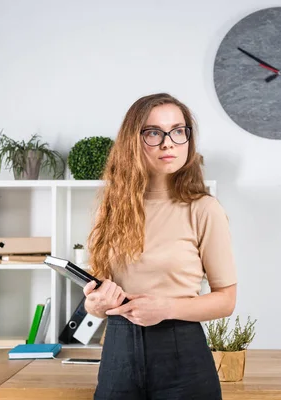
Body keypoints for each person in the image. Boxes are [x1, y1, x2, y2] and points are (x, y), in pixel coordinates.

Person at [83, 92, 237, 400]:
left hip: (183, 357)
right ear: (132, 141)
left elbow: (226, 300)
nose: (168, 142)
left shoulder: (204, 209)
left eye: (178, 131)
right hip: (117, 355)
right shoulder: (111, 209)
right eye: (153, 133)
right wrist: (96, 304)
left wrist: (166, 307)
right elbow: (95, 298)